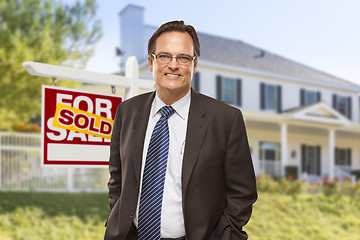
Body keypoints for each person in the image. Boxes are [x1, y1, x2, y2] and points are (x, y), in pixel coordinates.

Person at [104, 20, 257, 240]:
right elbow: (117, 177)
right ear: (151, 62)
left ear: (194, 65)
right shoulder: (128, 111)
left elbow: (242, 193)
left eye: (183, 58)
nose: (173, 65)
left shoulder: (225, 119)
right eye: (164, 56)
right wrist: (116, 219)